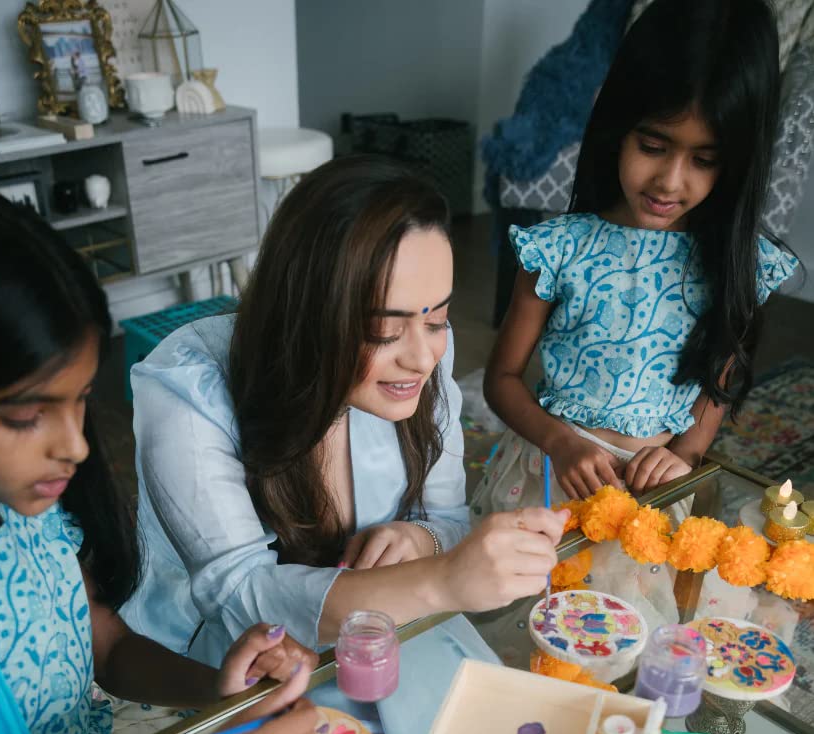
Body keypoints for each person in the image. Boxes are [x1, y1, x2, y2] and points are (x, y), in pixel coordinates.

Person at [0, 174, 318, 734]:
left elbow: (103, 645)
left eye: (80, 398)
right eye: (28, 416)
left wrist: (219, 688)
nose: (76, 445)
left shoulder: (26, 510)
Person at [121, 155, 569, 666]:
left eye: (438, 318)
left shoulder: (423, 355)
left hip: (384, 632)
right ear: (308, 315)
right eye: (384, 331)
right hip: (234, 666)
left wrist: (418, 540)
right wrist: (440, 581)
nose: (423, 358)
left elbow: (445, 517)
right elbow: (239, 596)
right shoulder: (189, 388)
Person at [473, 0, 800, 518]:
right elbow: (502, 380)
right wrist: (560, 443)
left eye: (704, 160)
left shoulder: (739, 266)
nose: (670, 181)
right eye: (652, 145)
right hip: (552, 483)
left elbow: (717, 384)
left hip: (653, 498)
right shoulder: (558, 249)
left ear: (735, 163)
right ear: (617, 125)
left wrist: (684, 454)